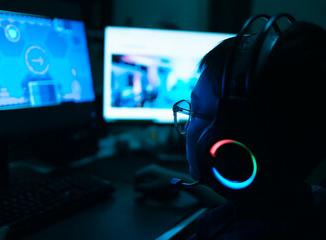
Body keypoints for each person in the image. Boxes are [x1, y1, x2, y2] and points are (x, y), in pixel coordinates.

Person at [135, 16, 326, 239]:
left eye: (195, 110)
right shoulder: (312, 202)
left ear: (232, 142)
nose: (188, 121)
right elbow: (256, 207)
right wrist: (183, 183)